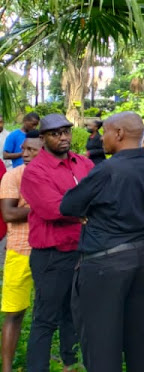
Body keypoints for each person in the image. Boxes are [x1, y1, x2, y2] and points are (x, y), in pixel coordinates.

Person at [60, 112, 144, 372]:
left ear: (118, 134)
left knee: (102, 344)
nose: (102, 138)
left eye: (105, 131)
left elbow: (69, 205)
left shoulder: (107, 169)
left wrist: (89, 212)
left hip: (107, 261)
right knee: (141, 340)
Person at [21, 114, 94, 372]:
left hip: (84, 251)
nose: (63, 137)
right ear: (43, 138)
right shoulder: (34, 172)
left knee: (74, 315)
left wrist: (86, 207)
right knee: (45, 320)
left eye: (66, 131)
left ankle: (70, 363)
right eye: (55, 133)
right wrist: (87, 210)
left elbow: (102, 193)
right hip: (52, 256)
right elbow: (53, 209)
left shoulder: (83, 163)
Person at [0, 131, 42, 372]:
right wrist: (47, 209)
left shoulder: (50, 177)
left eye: (31, 150)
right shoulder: (13, 176)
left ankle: (41, 359)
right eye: (24, 149)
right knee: (14, 312)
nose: (24, 154)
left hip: (49, 250)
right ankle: (7, 367)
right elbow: (9, 213)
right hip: (19, 250)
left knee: (45, 312)